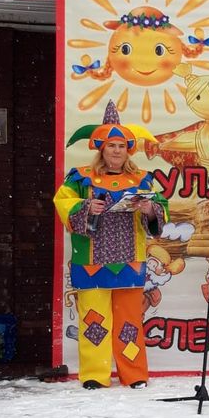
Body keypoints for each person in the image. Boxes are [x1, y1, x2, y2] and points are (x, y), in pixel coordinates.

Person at [54, 101, 168, 390]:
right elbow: (62, 202)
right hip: (91, 261)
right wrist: (85, 207)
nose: (116, 151)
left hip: (130, 260)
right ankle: (95, 374)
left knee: (130, 322)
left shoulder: (142, 179)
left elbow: (161, 210)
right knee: (94, 320)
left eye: (121, 146)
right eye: (111, 146)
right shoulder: (80, 177)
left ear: (128, 149)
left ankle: (134, 374)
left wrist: (149, 209)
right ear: (101, 149)